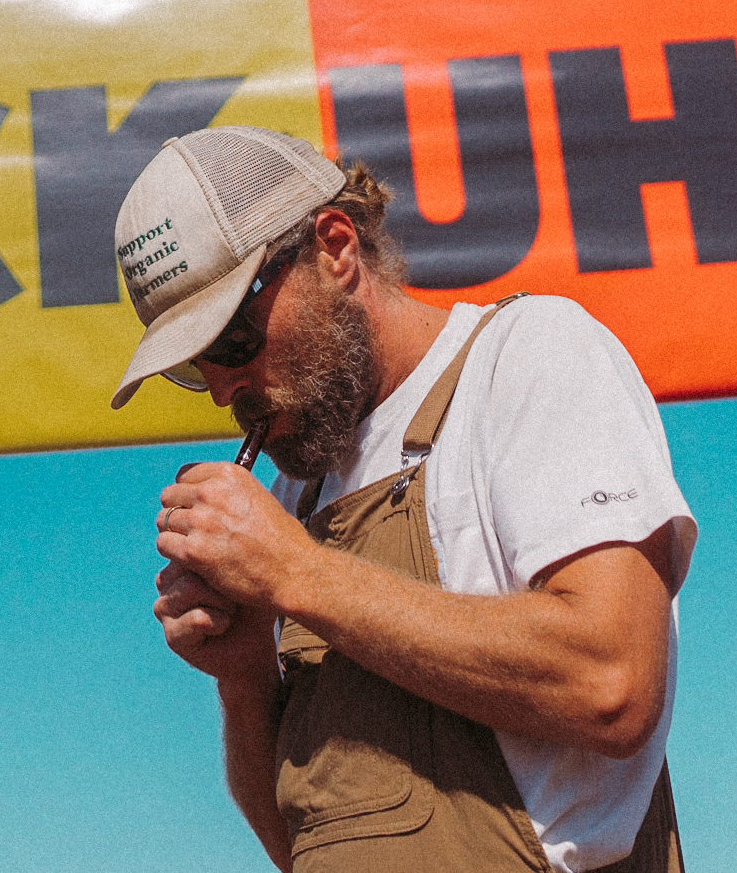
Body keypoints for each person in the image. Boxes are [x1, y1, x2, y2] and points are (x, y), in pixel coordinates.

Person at [109, 125, 694, 873]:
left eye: (229, 341)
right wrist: (244, 676)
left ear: (335, 248)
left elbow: (613, 682)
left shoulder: (527, 359)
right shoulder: (295, 495)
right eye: (193, 367)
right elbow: (301, 847)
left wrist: (297, 573)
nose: (224, 389)